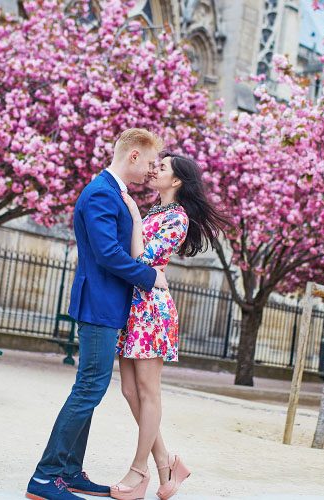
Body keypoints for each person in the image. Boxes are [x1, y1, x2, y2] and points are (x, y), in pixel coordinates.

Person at [26, 129, 170, 500]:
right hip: (100, 305)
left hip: (107, 304)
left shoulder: (112, 193)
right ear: (133, 156)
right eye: (150, 163)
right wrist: (150, 276)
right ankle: (46, 477)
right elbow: (108, 253)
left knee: (90, 388)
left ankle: (70, 471)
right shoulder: (102, 193)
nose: (150, 172)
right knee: (88, 389)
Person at [111, 153, 230, 500]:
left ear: (176, 181)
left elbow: (141, 260)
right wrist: (137, 217)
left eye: (162, 168)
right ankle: (166, 462)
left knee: (148, 391)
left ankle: (139, 471)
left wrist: (133, 215)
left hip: (151, 310)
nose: (154, 170)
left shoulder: (176, 217)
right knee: (130, 391)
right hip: (134, 306)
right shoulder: (157, 212)